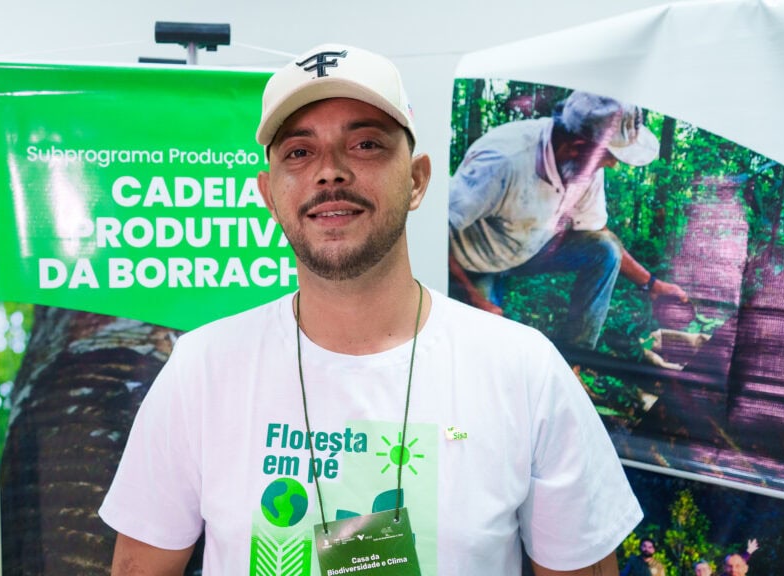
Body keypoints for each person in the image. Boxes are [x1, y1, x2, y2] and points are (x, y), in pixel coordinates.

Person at [99, 43, 642, 575]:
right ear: (269, 194)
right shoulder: (202, 369)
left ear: (417, 180)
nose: (329, 171)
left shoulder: (526, 372)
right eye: (298, 151)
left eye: (365, 145)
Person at [448, 90, 688, 350]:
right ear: (578, 147)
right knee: (483, 346)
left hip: (530, 250)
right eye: (609, 158)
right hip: (475, 262)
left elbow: (597, 229)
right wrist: (471, 297)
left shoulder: (586, 168)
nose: (612, 166)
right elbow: (432, 231)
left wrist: (651, 284)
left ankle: (575, 357)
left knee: (605, 249)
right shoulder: (501, 162)